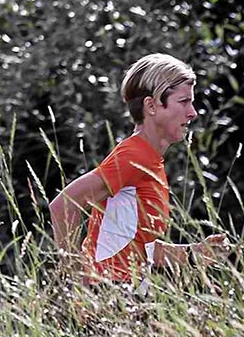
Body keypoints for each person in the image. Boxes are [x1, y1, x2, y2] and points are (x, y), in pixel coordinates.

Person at [49, 53, 232, 290]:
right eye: (183, 102)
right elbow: (63, 205)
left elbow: (136, 246)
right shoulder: (134, 155)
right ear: (151, 105)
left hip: (126, 292)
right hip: (110, 291)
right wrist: (79, 282)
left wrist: (193, 253)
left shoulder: (149, 159)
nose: (192, 113)